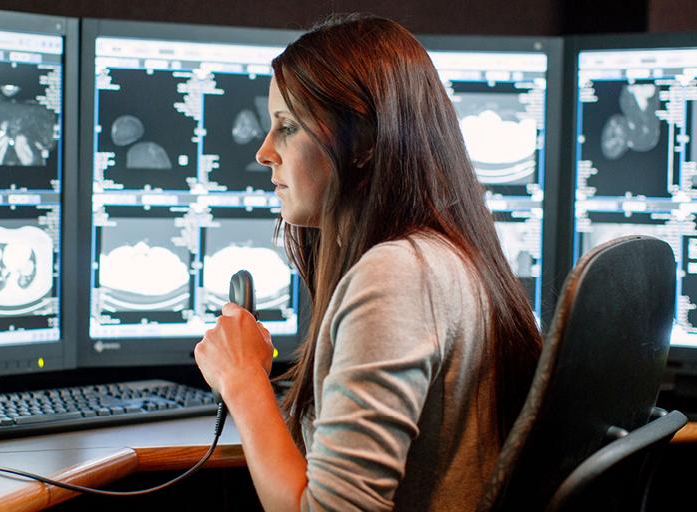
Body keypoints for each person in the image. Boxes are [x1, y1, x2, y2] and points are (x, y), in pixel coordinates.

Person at [193, 14, 543, 512]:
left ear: (362, 144)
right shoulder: (445, 257)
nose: (264, 152)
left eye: (287, 127)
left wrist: (243, 378)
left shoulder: (397, 277)